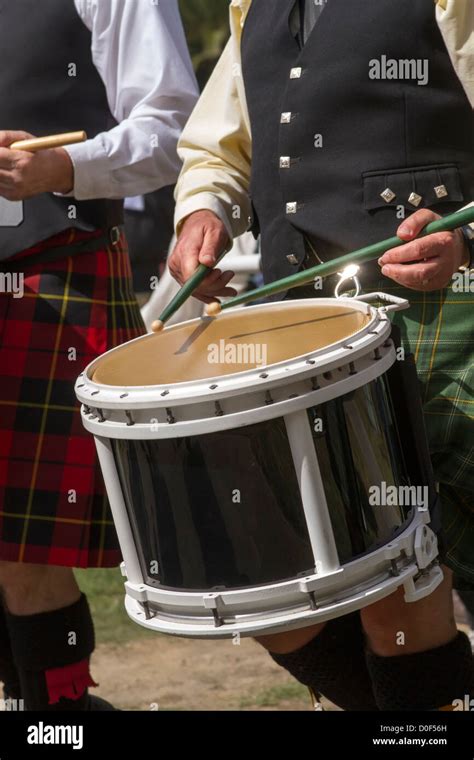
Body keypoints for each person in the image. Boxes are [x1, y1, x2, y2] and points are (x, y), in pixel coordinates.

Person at [170, 0, 474, 711]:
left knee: (405, 586)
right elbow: (221, 144)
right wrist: (206, 209)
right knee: (305, 588)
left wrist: (468, 241)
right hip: (304, 337)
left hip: (449, 318)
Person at [0, 0, 197, 711]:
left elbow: (172, 128)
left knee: (22, 554)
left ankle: (60, 716)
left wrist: (61, 165)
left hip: (50, 266)